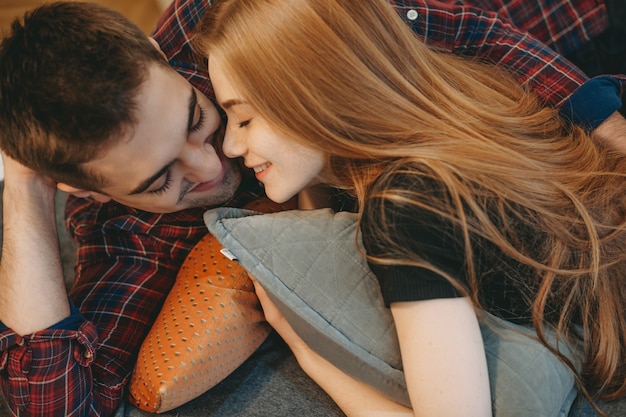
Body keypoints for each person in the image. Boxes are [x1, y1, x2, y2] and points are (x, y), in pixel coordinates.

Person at [0, 0, 625, 416]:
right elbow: (56, 407)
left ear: (165, 59)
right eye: (163, 181)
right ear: (88, 191)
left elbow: (453, 34)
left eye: (205, 116)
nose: (217, 162)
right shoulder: (126, 236)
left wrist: (307, 349)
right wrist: (23, 194)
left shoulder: (224, 25)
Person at [196, 0, 626, 416]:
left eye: (245, 118)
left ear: (320, 93)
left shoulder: (403, 208)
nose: (231, 147)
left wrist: (307, 351)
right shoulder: (459, 102)